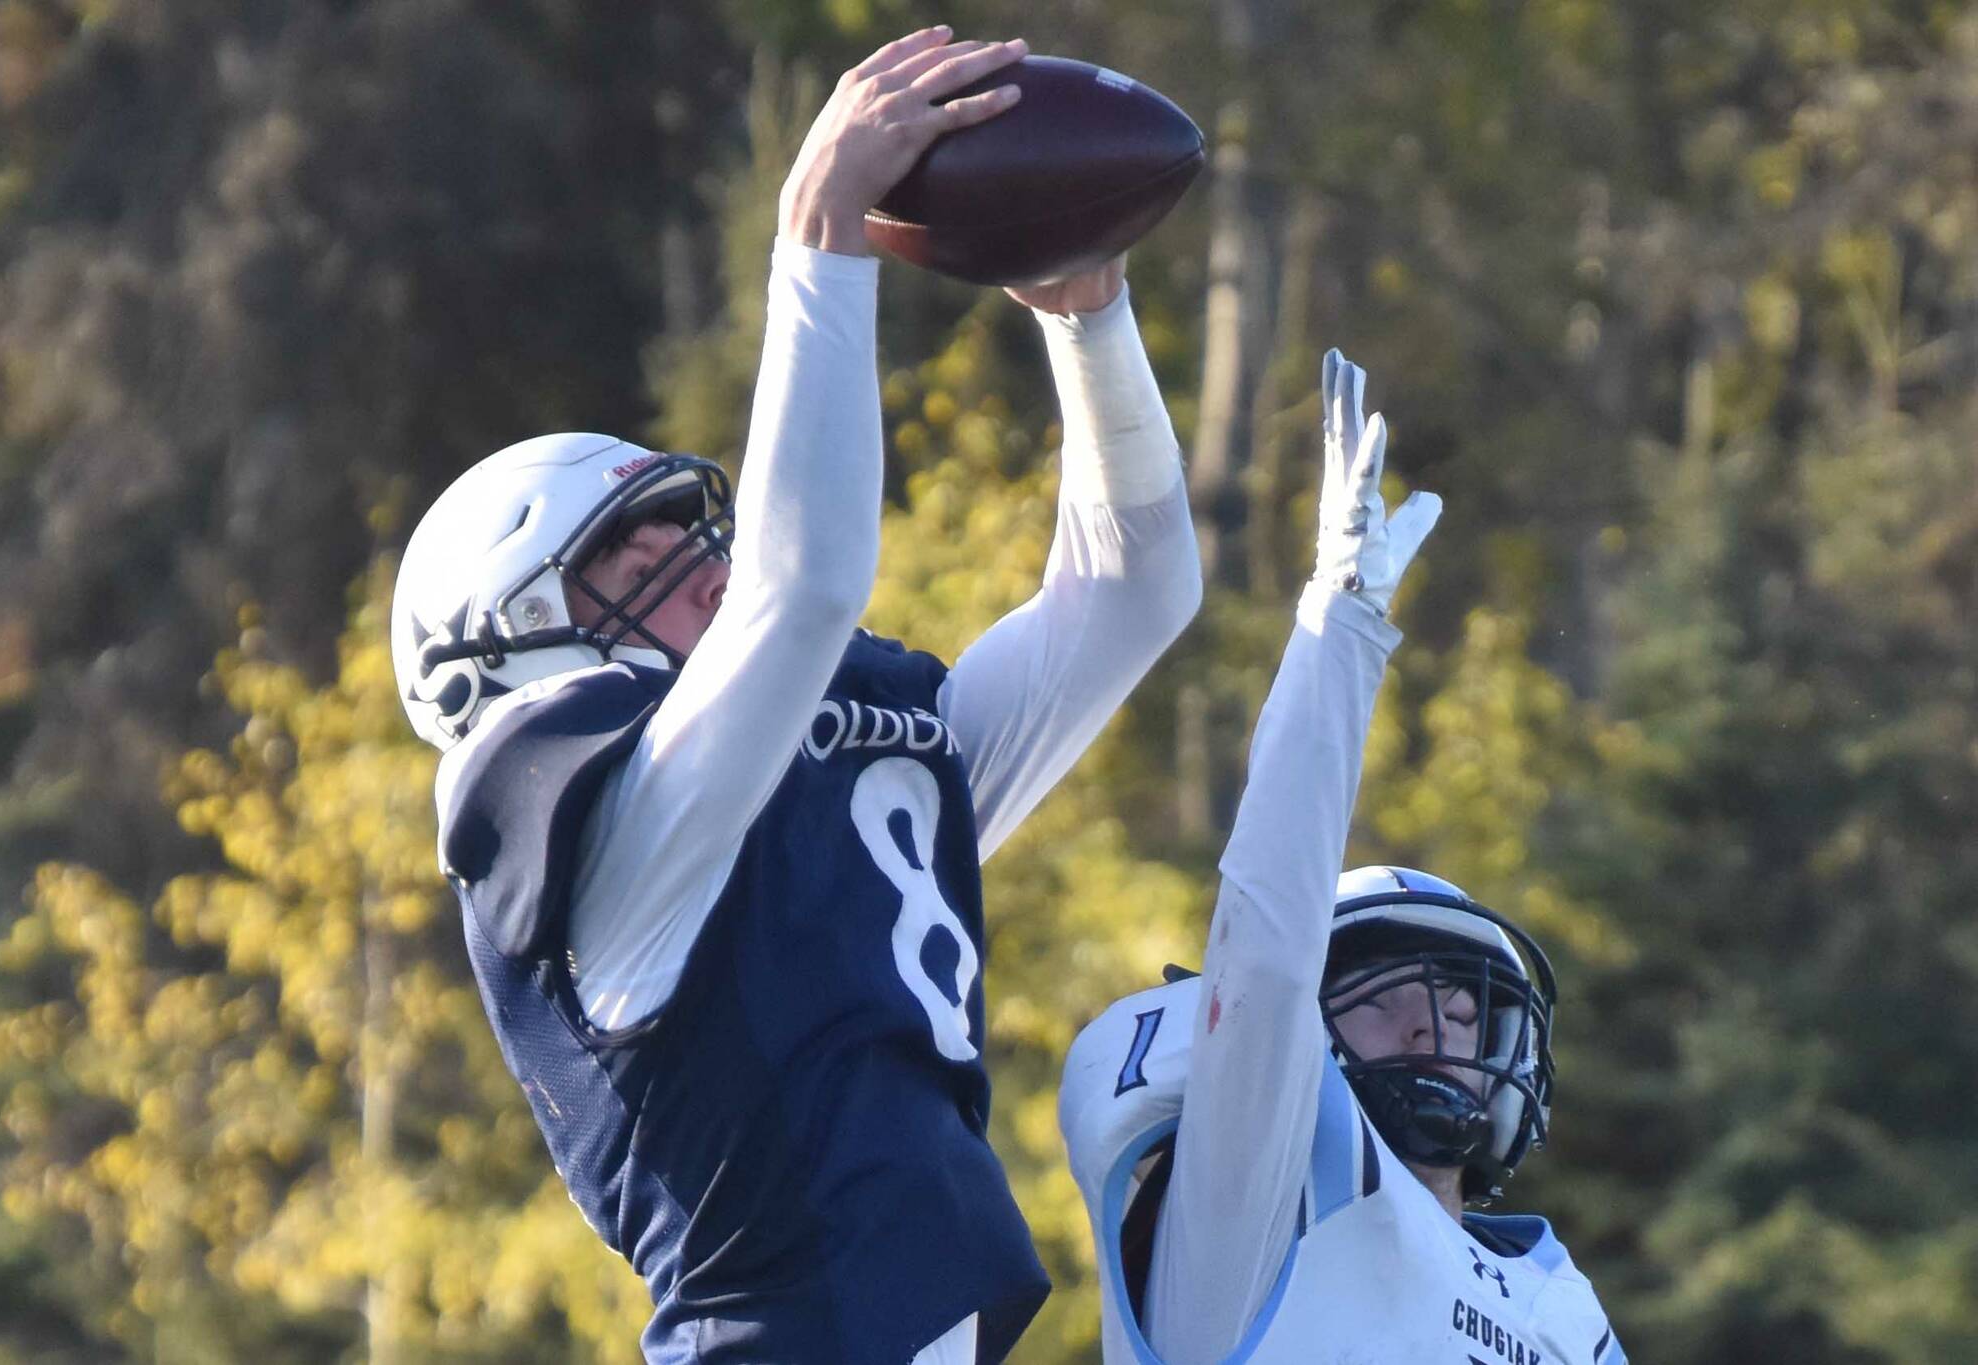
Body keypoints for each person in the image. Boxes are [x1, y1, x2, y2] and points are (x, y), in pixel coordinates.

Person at [388, 26, 1202, 1365]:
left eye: (688, 534)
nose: (697, 570)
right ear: (508, 657)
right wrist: (817, 235)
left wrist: (1091, 322)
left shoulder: (830, 774)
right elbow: (805, 582)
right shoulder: (625, 865)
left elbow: (1132, 596)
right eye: (628, 562)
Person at [1058, 351, 1625, 1363]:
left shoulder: (1561, 1312)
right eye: (1384, 993)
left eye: (1462, 1008)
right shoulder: (1256, 1215)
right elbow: (1266, 953)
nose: (1434, 1024)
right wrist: (1341, 627)